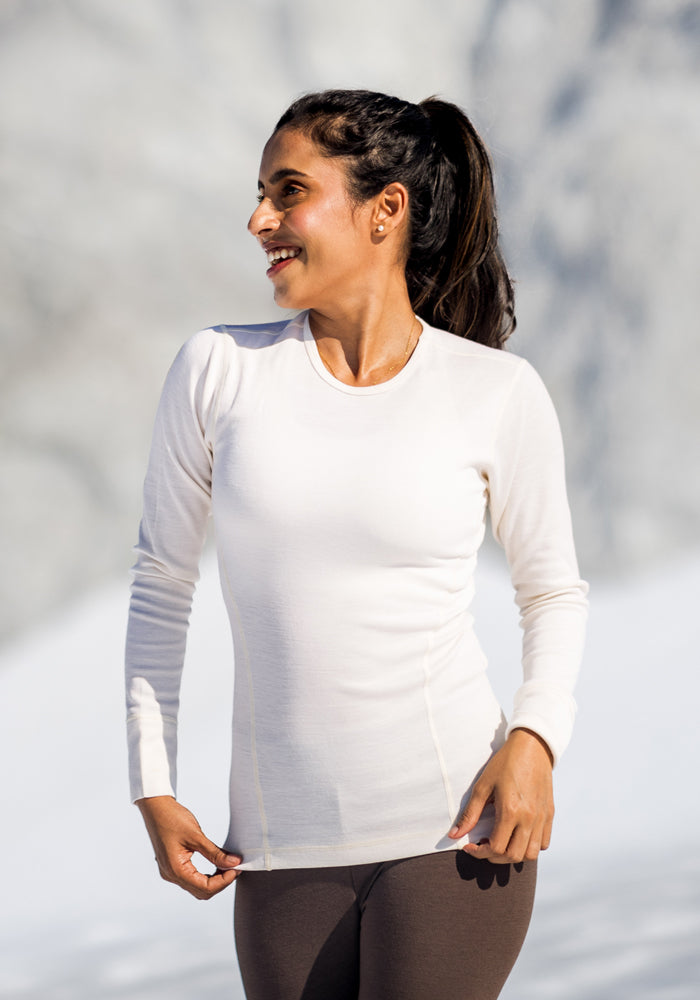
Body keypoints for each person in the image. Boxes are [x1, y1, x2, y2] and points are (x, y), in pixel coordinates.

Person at [126, 89, 588, 1000]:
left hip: (456, 836)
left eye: (288, 191)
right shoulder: (217, 370)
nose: (260, 219)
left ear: (386, 211)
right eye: (260, 194)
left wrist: (535, 737)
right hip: (277, 853)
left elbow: (553, 593)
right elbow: (160, 583)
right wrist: (152, 781)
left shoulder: (495, 390)